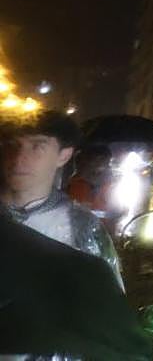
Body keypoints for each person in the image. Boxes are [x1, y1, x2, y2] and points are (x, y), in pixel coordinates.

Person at [0, 109, 122, 287]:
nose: (19, 158)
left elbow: (105, 301)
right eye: (12, 145)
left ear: (64, 155)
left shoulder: (82, 227)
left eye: (37, 146)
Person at [65, 144, 115, 217]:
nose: (98, 165)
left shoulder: (114, 187)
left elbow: (121, 210)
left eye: (104, 161)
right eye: (95, 161)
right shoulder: (72, 184)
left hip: (105, 226)